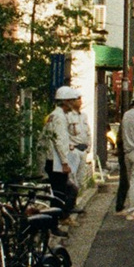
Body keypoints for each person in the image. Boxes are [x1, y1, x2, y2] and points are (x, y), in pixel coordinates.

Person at [43, 87, 88, 215]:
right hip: (56, 162)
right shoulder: (59, 117)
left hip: (52, 159)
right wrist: (64, 162)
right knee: (60, 193)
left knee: (61, 191)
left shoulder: (53, 115)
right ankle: (58, 219)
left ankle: (61, 216)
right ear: (66, 101)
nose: (74, 103)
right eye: (72, 100)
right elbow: (60, 141)